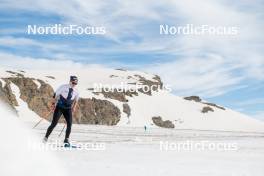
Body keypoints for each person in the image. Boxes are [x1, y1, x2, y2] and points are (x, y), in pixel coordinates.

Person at [43, 76, 79, 145]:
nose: (74, 84)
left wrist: (74, 107)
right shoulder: (63, 87)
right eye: (73, 82)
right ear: (70, 81)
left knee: (69, 124)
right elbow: (55, 95)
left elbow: (76, 100)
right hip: (59, 107)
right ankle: (46, 137)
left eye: (75, 83)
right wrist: (53, 104)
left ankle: (66, 140)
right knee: (54, 123)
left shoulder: (76, 91)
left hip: (68, 109)